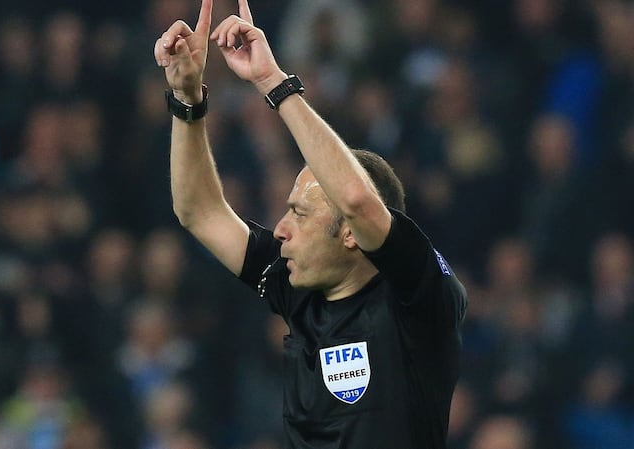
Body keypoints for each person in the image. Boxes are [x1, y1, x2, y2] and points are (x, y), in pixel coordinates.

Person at [154, 1, 468, 447]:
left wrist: (272, 81)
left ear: (350, 233)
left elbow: (357, 199)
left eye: (300, 214)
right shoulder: (298, 289)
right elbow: (199, 211)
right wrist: (187, 99)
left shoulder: (417, 296)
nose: (280, 229)